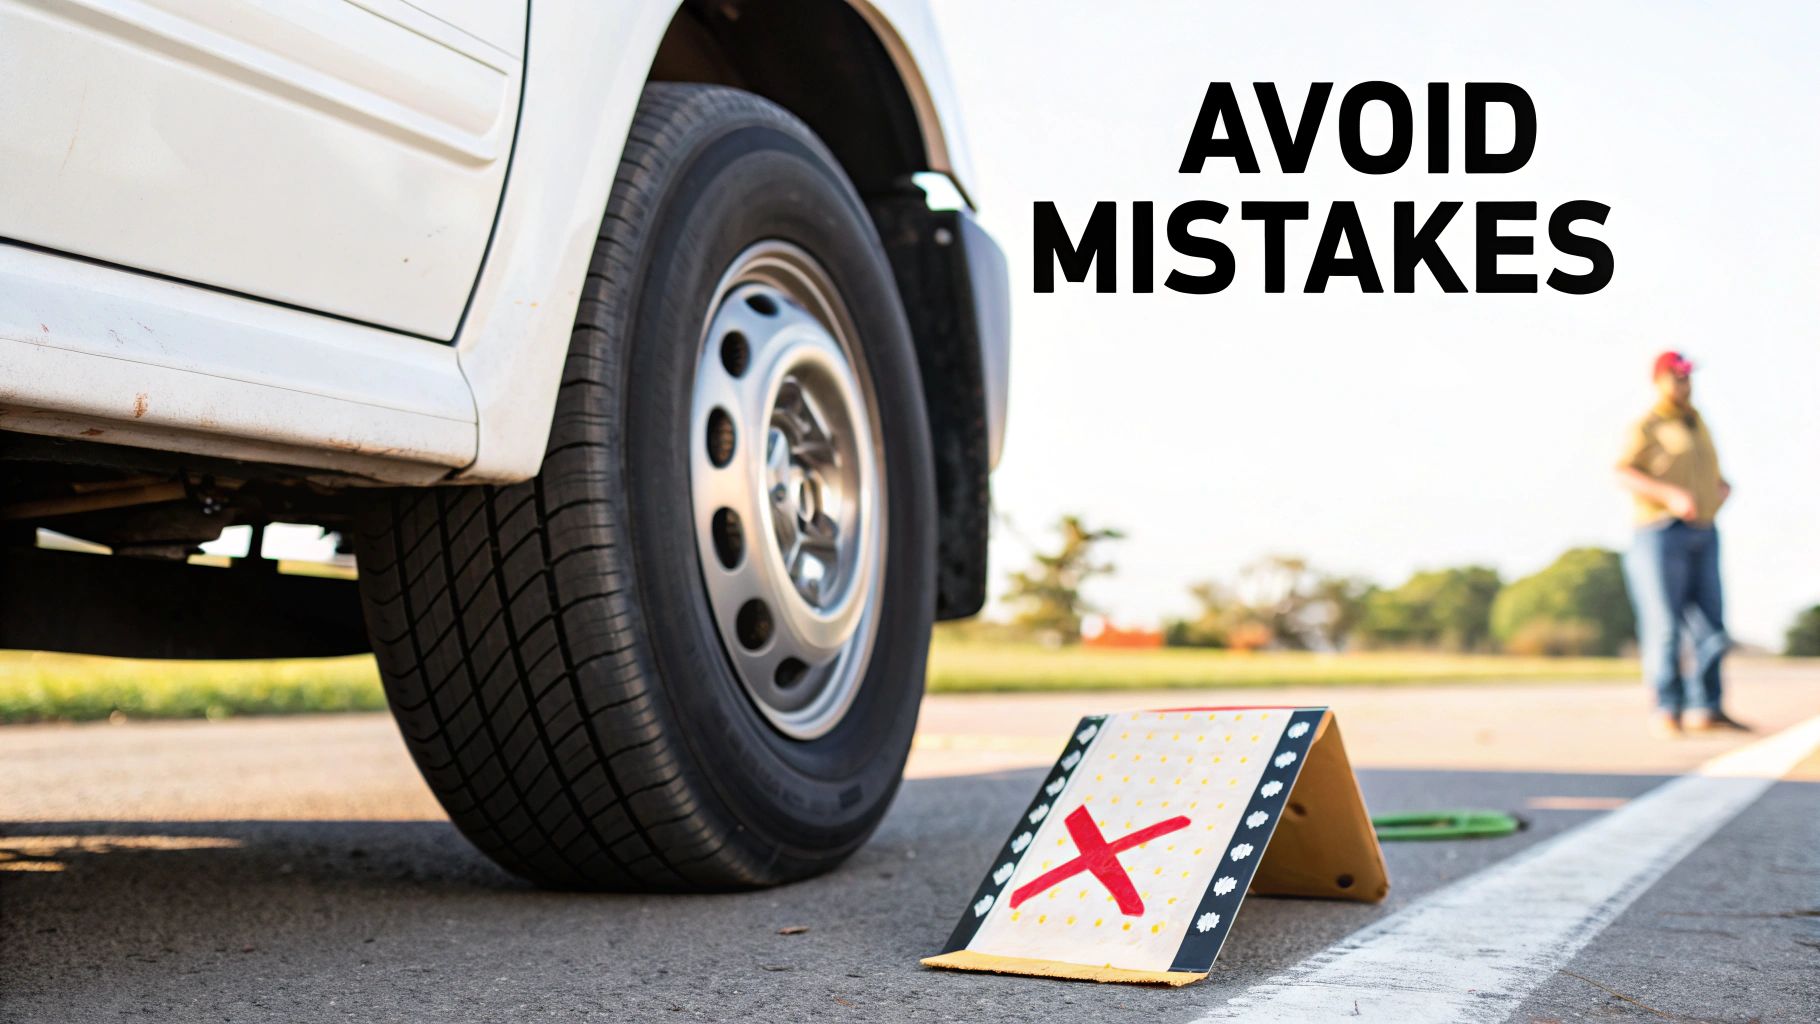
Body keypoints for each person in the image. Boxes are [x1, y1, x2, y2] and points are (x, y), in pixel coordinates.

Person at [1615, 351, 1746, 738]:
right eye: (1676, 376)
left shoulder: (1697, 422)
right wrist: (1667, 495)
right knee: (1666, 625)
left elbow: (1705, 471)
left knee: (1711, 624)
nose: (1684, 383)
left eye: (1687, 376)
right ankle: (1667, 707)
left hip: (1704, 529)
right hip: (1661, 531)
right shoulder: (1649, 424)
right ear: (1658, 380)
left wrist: (1720, 488)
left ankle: (1707, 707)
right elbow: (1622, 471)